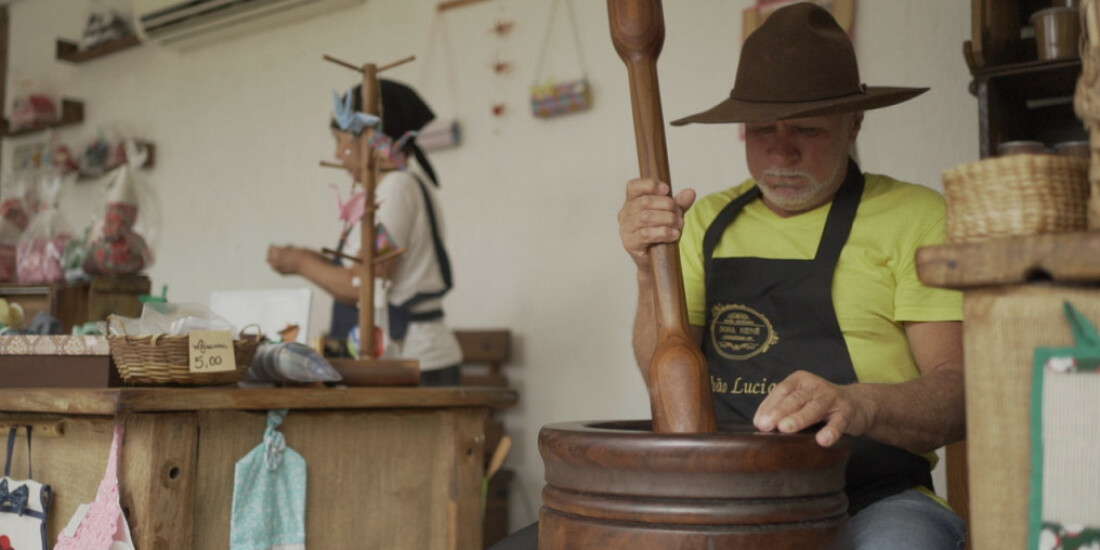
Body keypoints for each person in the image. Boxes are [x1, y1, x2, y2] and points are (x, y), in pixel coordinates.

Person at [491, 3, 965, 549]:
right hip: (718, 494)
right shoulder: (705, 221)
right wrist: (648, 273)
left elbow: (959, 395)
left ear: (854, 122)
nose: (781, 150)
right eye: (762, 129)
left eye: (806, 129)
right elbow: (662, 380)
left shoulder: (917, 217)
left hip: (870, 495)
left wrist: (859, 404)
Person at [267, 79, 463, 386]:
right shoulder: (392, 188)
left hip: (415, 362)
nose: (337, 155)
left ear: (370, 138)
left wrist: (300, 263)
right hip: (404, 358)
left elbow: (365, 284)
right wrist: (307, 257)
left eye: (339, 140)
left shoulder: (397, 188)